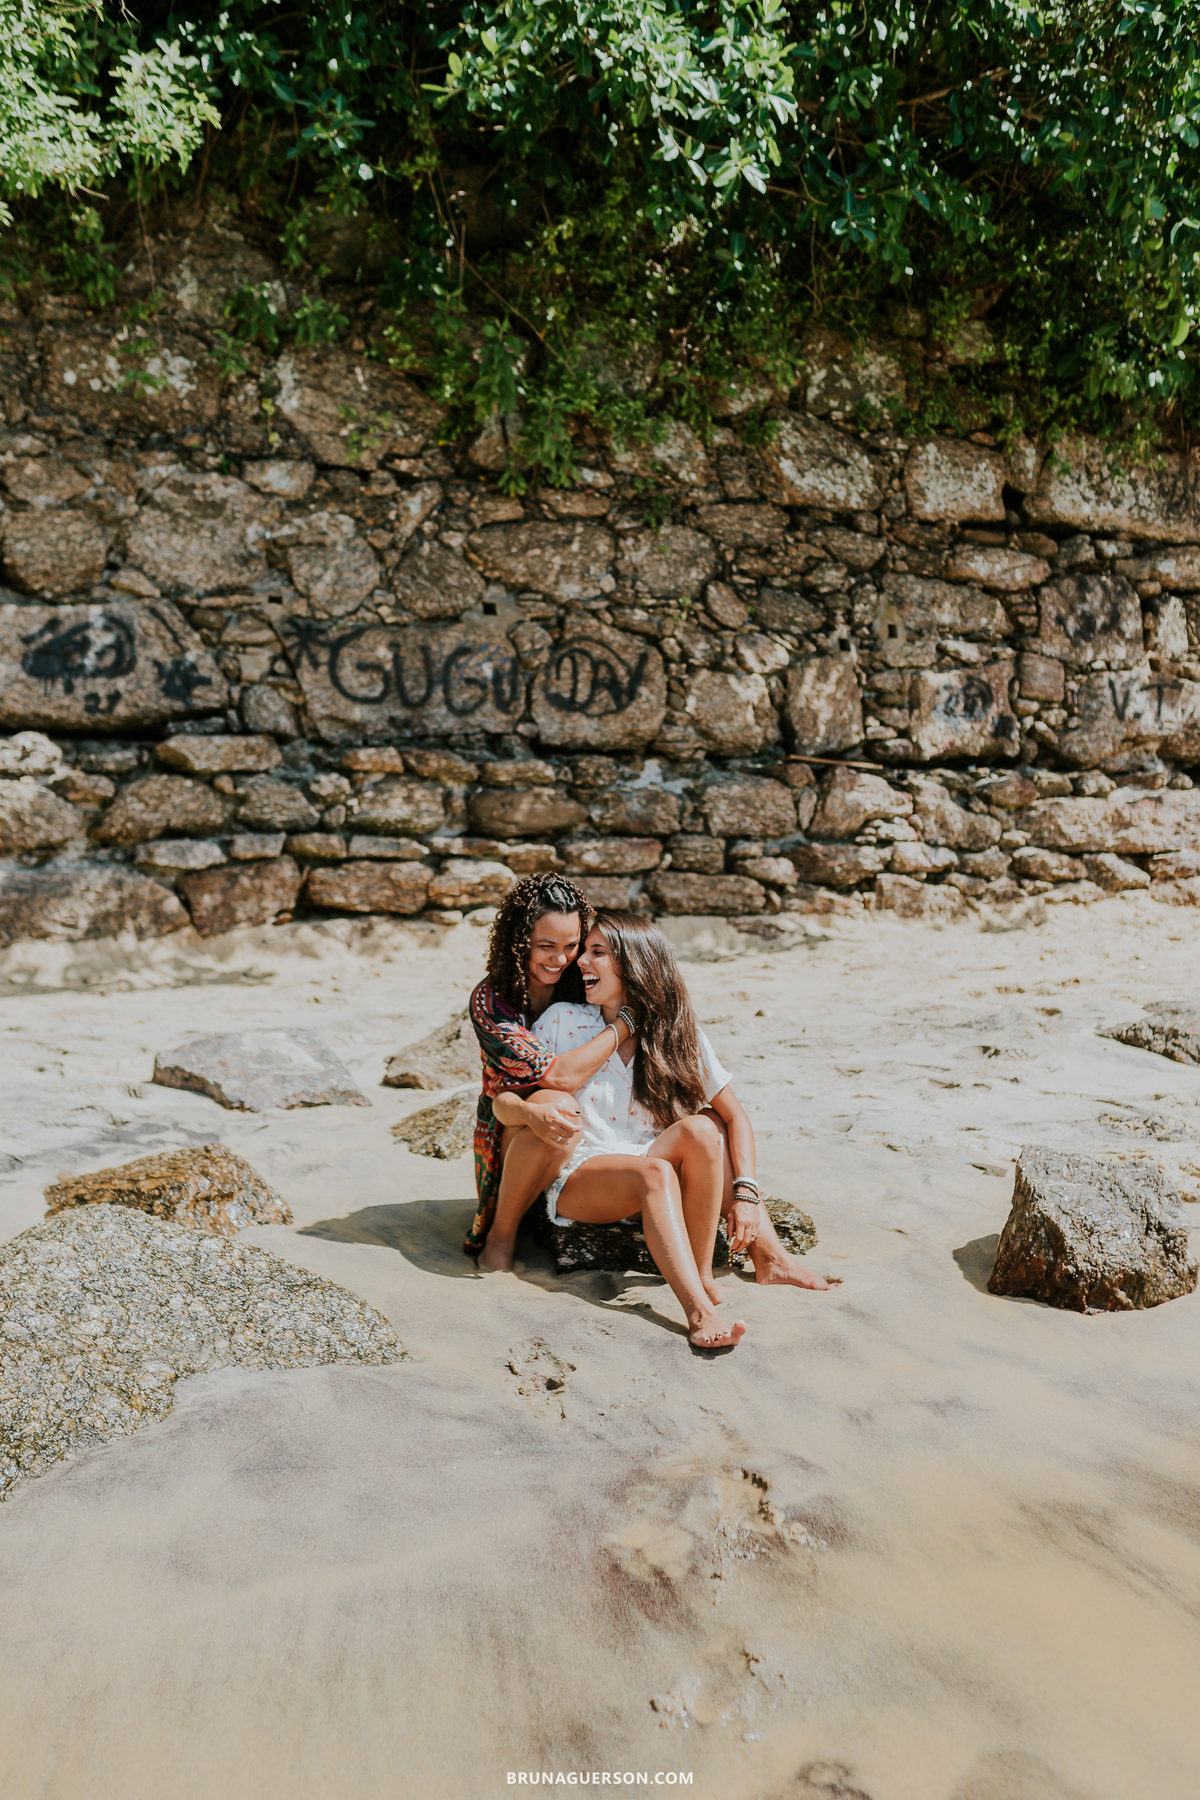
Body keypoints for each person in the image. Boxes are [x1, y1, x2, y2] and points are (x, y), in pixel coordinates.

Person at [520, 911, 749, 1348]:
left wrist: (747, 1194)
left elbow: (735, 1115)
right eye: (585, 951)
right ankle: (699, 1313)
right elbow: (543, 1088)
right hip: (580, 1175)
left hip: (646, 1157)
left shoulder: (675, 1031)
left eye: (597, 952)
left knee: (703, 1130)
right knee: (656, 1173)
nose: (580, 961)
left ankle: (701, 1273)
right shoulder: (562, 1019)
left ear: (634, 962)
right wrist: (620, 1025)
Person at [466, 873, 639, 1267]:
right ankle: (501, 1238)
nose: (560, 960)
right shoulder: (491, 1002)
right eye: (546, 946)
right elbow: (555, 1078)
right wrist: (624, 1025)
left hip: (595, 1114)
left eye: (571, 945)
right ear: (519, 941)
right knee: (558, 1103)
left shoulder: (583, 977)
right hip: (513, 1120)